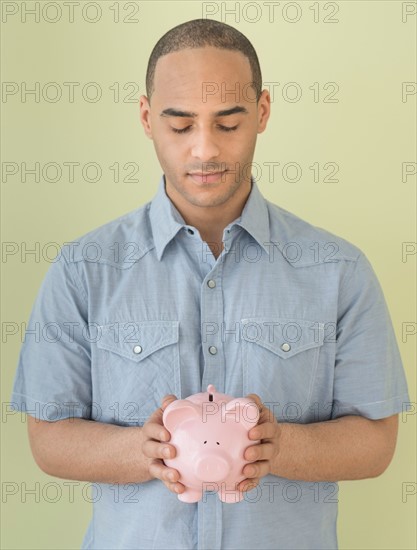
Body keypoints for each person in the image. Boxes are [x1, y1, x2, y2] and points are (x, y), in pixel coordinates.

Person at [11, 18, 409, 550]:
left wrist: (279, 446)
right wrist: (143, 452)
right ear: (147, 118)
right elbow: (48, 438)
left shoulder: (338, 269)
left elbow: (376, 442)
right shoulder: (84, 269)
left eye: (228, 123)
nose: (204, 151)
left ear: (262, 112)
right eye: (180, 126)